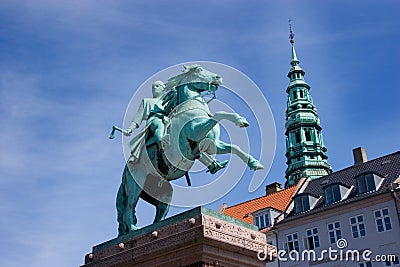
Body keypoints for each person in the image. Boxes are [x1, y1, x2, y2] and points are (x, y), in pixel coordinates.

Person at [125, 81, 227, 174]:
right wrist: (130, 128)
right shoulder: (147, 101)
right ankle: (161, 146)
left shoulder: (168, 100)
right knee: (159, 125)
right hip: (155, 120)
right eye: (153, 86)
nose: (154, 88)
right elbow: (137, 119)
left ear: (163, 88)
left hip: (169, 120)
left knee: (188, 137)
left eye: (157, 86)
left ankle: (211, 164)